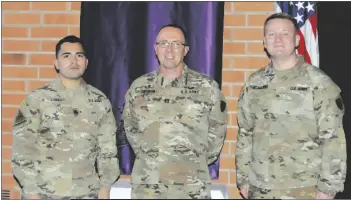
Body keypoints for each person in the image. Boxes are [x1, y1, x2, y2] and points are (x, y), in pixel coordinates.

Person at [235, 13, 347, 199]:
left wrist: (328, 188)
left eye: (284, 34)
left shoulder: (319, 83)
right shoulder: (254, 83)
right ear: (264, 42)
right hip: (260, 188)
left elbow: (333, 139)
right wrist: (243, 179)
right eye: (271, 35)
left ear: (296, 39)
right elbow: (245, 133)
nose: (277, 39)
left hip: (304, 189)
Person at [121, 24, 228, 199]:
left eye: (176, 44)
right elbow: (131, 129)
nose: (169, 50)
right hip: (148, 186)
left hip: (191, 187)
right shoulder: (139, 87)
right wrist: (152, 157)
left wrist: (192, 160)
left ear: (185, 50)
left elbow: (217, 132)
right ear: (155, 49)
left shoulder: (207, 88)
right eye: (163, 43)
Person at [12, 35, 120, 199]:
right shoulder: (37, 100)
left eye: (79, 55)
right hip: (44, 193)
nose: (74, 60)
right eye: (66, 55)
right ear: (56, 63)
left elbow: (108, 151)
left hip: (86, 193)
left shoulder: (99, 101)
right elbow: (23, 150)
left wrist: (105, 189)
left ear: (86, 63)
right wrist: (32, 193)